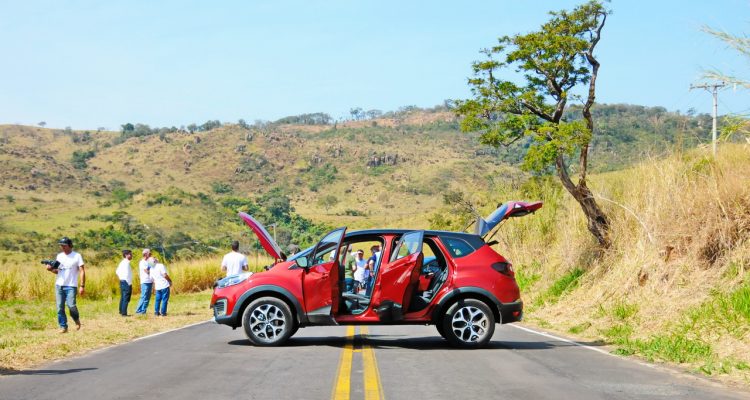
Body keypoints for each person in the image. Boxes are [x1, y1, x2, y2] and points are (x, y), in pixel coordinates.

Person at [45, 237, 85, 333]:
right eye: (61, 245)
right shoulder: (59, 256)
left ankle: (76, 320)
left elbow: (82, 271)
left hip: (71, 285)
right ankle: (63, 327)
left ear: (70, 245)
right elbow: (57, 271)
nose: (62, 247)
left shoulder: (77, 256)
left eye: (64, 245)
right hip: (59, 285)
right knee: (60, 307)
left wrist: (82, 286)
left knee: (71, 305)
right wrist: (50, 269)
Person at [135, 248, 153, 315]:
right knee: (144, 296)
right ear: (145, 254)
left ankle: (143, 311)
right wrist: (152, 264)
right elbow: (147, 271)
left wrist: (154, 262)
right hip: (145, 281)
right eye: (149, 253)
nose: (150, 254)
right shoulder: (142, 262)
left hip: (150, 281)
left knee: (148, 297)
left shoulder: (149, 261)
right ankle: (138, 310)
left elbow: (154, 269)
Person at [116, 249, 133, 316]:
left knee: (123, 297)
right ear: (126, 255)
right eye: (130, 254)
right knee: (126, 298)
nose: (131, 255)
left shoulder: (122, 262)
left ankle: (121, 311)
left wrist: (121, 278)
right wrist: (128, 282)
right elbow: (127, 274)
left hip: (122, 281)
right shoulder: (126, 263)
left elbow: (117, 271)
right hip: (126, 282)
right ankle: (124, 313)